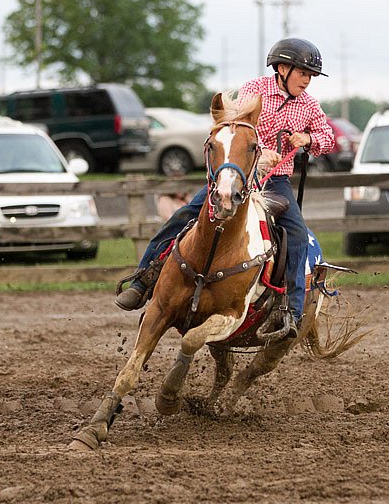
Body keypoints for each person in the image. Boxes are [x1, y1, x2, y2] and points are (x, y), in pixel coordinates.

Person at [115, 37, 335, 334]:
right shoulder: (255, 91)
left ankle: (291, 312)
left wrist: (307, 139)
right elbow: (235, 127)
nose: (307, 81)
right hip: (239, 174)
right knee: (187, 213)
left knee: (295, 233)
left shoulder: (308, 105)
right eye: (303, 73)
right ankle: (143, 280)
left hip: (276, 182)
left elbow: (328, 137)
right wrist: (259, 153)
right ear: (282, 68)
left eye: (310, 75)